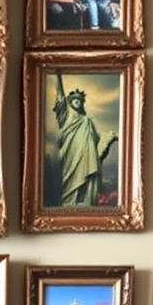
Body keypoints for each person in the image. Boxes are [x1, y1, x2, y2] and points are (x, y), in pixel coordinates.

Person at [52, 73, 117, 207]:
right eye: (75, 99)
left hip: (86, 157)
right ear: (70, 102)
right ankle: (70, 201)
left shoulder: (87, 121)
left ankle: (83, 200)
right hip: (70, 156)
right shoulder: (65, 116)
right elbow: (60, 97)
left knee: (86, 179)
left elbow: (96, 140)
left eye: (80, 100)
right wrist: (58, 77)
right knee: (70, 181)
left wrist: (107, 139)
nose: (78, 101)